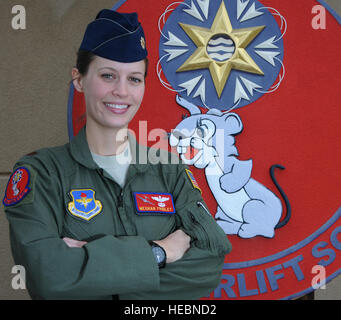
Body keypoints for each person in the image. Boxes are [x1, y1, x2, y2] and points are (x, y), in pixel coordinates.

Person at [3, 9, 231, 300]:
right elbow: (46, 278)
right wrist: (159, 253)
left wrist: (92, 270)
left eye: (134, 79)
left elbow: (209, 264)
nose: (122, 91)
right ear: (79, 80)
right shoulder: (42, 173)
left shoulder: (168, 169)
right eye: (108, 76)